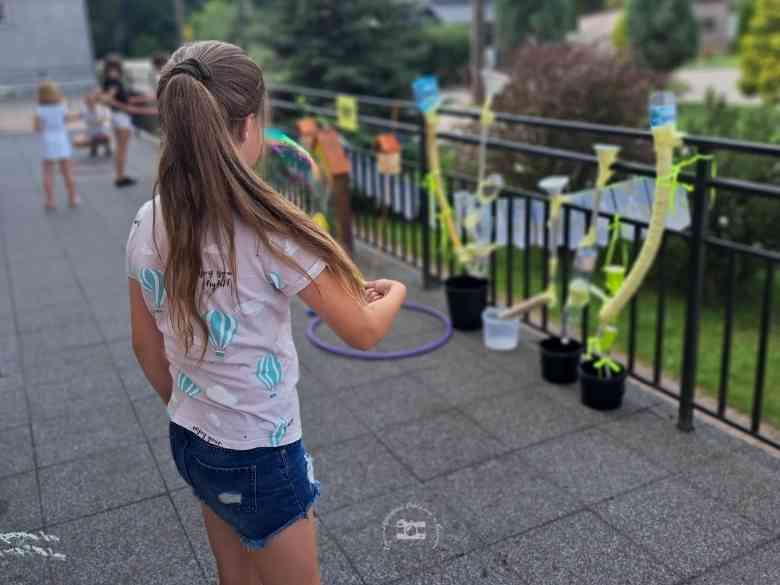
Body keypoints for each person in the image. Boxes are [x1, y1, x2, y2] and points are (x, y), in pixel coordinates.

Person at [126, 41, 406, 585]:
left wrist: (194, 408)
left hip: (192, 440)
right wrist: (392, 291)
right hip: (261, 457)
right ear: (250, 125)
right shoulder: (270, 231)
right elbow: (365, 330)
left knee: (235, 577)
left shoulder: (146, 219)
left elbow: (144, 345)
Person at [100, 54, 155, 187]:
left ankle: (120, 175)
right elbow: (108, 99)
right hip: (121, 117)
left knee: (120, 148)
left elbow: (122, 99)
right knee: (121, 149)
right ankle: (120, 177)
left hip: (117, 116)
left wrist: (146, 99)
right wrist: (125, 108)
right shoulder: (114, 80)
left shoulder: (108, 79)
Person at [33, 80, 80, 209]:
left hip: (47, 142)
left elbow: (37, 128)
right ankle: (72, 198)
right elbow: (67, 119)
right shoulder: (62, 106)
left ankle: (50, 201)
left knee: (47, 173)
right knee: (67, 172)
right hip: (61, 140)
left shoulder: (39, 109)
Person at [77, 90, 112, 157]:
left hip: (103, 129)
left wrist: (100, 121)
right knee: (92, 135)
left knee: (104, 133)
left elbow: (107, 118)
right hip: (92, 130)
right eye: (88, 101)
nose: (90, 103)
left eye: (91, 101)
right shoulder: (84, 110)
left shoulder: (102, 108)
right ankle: (94, 147)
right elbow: (85, 119)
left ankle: (106, 146)